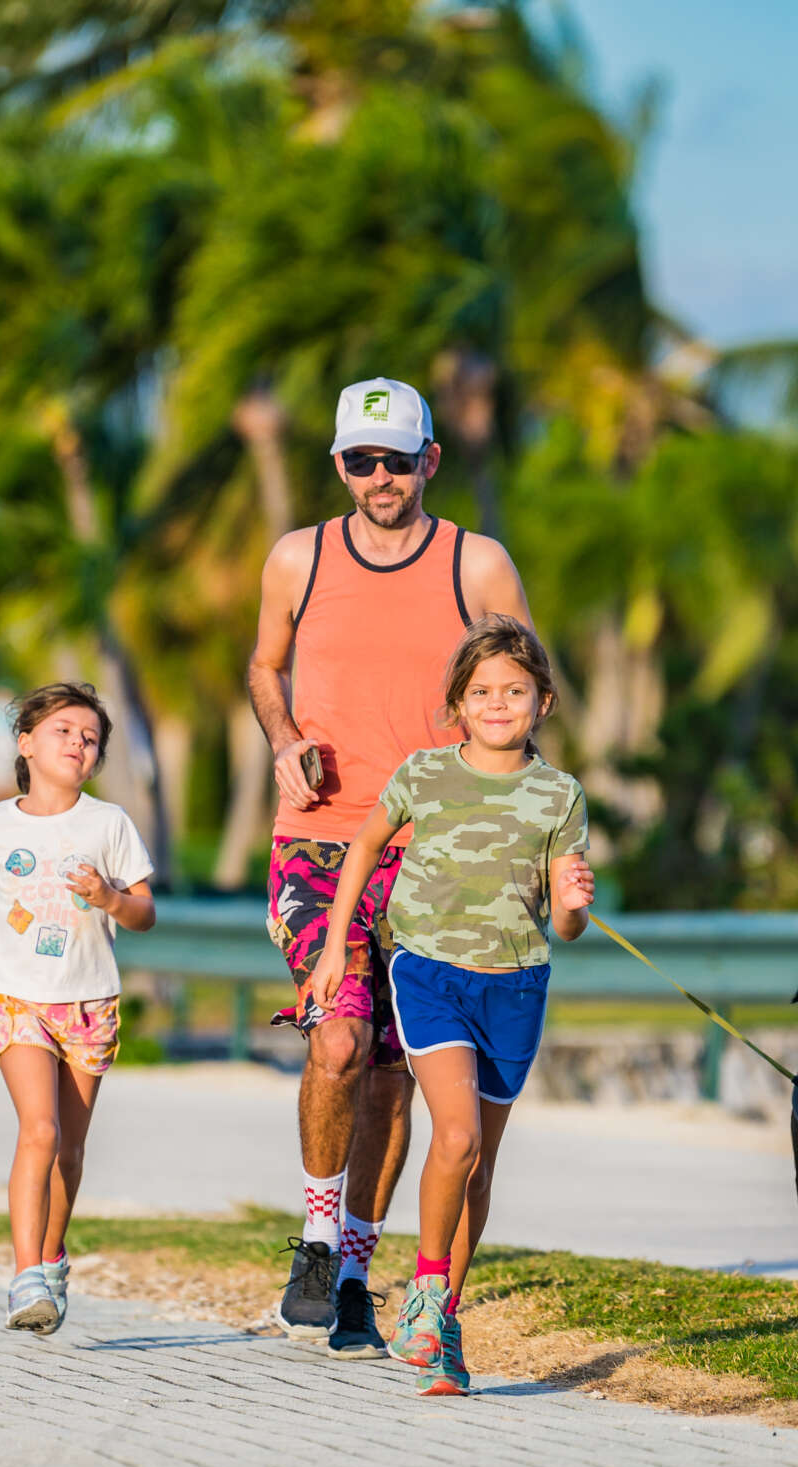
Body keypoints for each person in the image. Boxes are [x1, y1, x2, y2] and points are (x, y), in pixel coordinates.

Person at [245, 375, 534, 1357]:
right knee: (336, 1040)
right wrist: (283, 734)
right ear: (337, 464)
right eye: (362, 460)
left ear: (429, 463)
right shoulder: (298, 557)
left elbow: (529, 692)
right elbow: (262, 664)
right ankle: (319, 1239)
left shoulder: (477, 564)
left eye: (397, 460)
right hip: (317, 839)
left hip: (435, 852)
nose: (380, 477)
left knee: (400, 1070)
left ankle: (360, 1272)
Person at [308, 616, 592, 1395]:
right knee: (456, 1136)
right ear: (457, 704)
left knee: (478, 1166)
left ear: (543, 701)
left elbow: (566, 923)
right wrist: (337, 945)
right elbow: (365, 845)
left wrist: (571, 903)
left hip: (518, 983)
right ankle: (427, 1292)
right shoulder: (424, 774)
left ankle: (446, 1326)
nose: (498, 703)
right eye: (481, 691)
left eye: (515, 690)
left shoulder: (559, 795)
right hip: (429, 971)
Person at [0, 683, 157, 1334]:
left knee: (69, 1150)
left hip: (89, 999)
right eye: (64, 730)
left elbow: (145, 911)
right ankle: (24, 1276)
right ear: (26, 743)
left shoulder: (108, 824)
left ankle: (52, 1254)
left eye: (90, 737)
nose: (77, 743)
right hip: (17, 999)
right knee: (39, 1130)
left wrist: (111, 897)